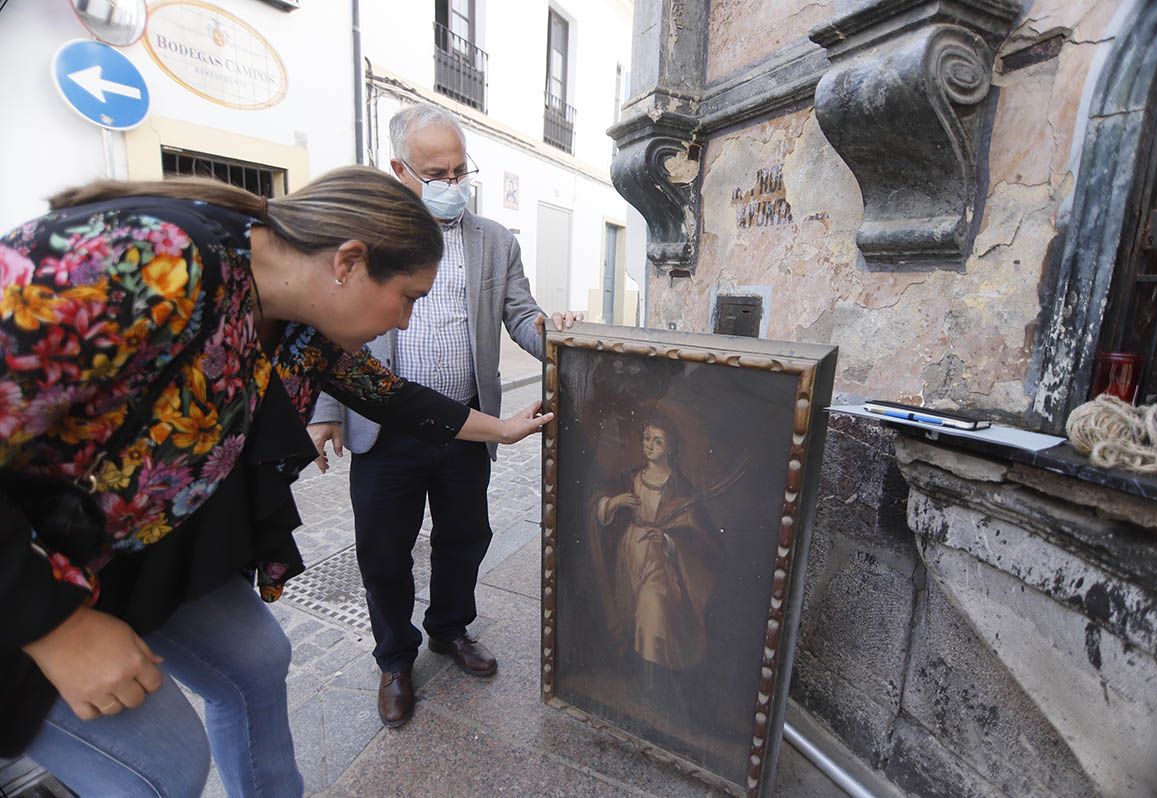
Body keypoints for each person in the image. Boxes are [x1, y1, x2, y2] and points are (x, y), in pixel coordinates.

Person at [0, 166, 551, 798]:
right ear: (348, 261)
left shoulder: (298, 325)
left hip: (130, 555)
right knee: (164, 768)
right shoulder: (151, 258)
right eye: (407, 297)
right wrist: (56, 627)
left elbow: (390, 396)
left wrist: (502, 430)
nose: (405, 322)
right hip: (29, 577)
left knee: (257, 663)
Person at [307, 104, 580, 728]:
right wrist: (324, 410)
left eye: (460, 172)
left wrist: (556, 333)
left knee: (465, 538)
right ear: (400, 169)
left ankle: (448, 630)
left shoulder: (494, 242)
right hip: (384, 430)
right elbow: (328, 333)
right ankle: (395, 660)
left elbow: (522, 317)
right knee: (384, 552)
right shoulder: (364, 242)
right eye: (437, 172)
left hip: (465, 425)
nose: (452, 184)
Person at [590, 416, 721, 689]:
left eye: (657, 441)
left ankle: (654, 685)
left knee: (654, 607)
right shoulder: (631, 477)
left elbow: (697, 534)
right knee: (632, 614)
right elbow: (597, 506)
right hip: (629, 556)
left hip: (660, 561)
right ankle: (639, 678)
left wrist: (668, 541)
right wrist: (615, 502)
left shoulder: (680, 486)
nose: (649, 446)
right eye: (647, 439)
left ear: (670, 448)